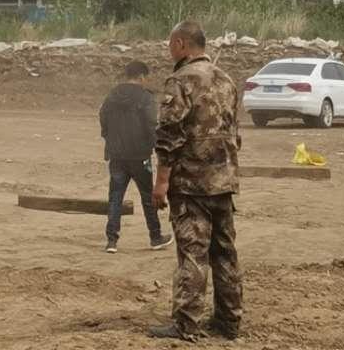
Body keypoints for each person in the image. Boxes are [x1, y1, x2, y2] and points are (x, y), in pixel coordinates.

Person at [149, 21, 242, 342]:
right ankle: (229, 322)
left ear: (181, 44)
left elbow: (169, 136)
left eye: (170, 43)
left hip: (191, 185)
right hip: (225, 181)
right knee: (225, 253)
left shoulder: (180, 81)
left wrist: (161, 182)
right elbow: (233, 131)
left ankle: (186, 323)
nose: (168, 49)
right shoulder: (226, 80)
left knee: (192, 253)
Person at [98, 59, 173, 255]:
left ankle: (111, 241)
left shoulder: (112, 95)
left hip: (116, 156)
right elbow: (151, 125)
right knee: (148, 197)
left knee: (115, 197)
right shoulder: (145, 97)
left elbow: (103, 118)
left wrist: (109, 138)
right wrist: (155, 146)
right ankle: (155, 237)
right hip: (140, 155)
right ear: (141, 77)